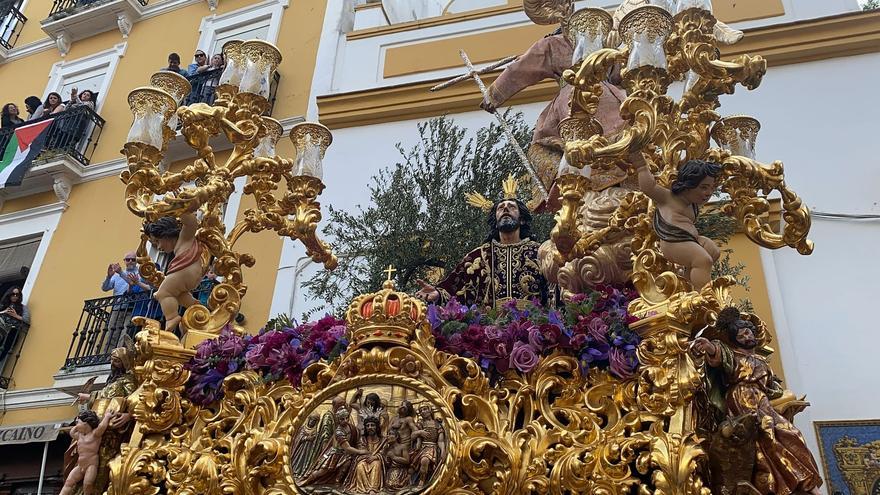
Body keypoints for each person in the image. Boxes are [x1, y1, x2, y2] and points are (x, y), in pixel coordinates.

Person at [692, 307, 823, 495]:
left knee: (792, 434)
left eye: (749, 332)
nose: (747, 336)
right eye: (742, 334)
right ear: (734, 339)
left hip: (762, 400)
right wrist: (710, 347)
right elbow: (719, 355)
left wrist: (788, 401)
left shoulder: (760, 361)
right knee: (767, 436)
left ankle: (805, 485)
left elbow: (771, 388)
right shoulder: (734, 355)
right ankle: (789, 486)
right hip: (743, 399)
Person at [415, 176, 548, 309]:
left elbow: (556, 287)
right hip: (489, 326)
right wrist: (438, 294)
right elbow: (454, 289)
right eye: (500, 208)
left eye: (512, 207)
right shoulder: (478, 256)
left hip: (534, 325)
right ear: (495, 221)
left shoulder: (540, 252)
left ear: (522, 219)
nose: (505, 209)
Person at [633, 154, 721, 289]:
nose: (709, 192)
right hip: (673, 243)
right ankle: (704, 295)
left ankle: (689, 285)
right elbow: (649, 188)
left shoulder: (693, 206)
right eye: (703, 187)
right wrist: (641, 166)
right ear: (688, 185)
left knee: (712, 251)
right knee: (703, 260)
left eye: (712, 187)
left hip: (690, 240)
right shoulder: (668, 198)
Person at [143, 212, 208, 333]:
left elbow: (191, 223)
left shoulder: (184, 238)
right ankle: (196, 307)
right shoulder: (179, 246)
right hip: (188, 275)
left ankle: (172, 317)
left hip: (187, 272)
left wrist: (180, 208)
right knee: (178, 295)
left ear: (166, 233)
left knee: (162, 293)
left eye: (157, 241)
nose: (158, 247)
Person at [60, 410, 113, 495]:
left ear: (85, 424)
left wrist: (107, 416)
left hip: (91, 465)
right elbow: (71, 433)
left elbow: (102, 426)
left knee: (87, 484)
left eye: (78, 423)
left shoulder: (94, 434)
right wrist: (77, 425)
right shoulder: (80, 436)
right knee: (68, 482)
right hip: (80, 466)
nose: (76, 425)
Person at [101, 252, 148, 349]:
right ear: (124, 261)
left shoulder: (139, 273)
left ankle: (119, 355)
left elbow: (133, 283)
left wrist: (121, 272)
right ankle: (108, 356)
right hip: (117, 308)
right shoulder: (116, 275)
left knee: (124, 334)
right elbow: (105, 288)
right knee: (111, 334)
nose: (130, 261)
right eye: (128, 259)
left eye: (133, 259)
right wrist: (109, 276)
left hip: (131, 308)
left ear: (136, 261)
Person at [346, 415, 385, 492]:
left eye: (372, 425)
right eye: (367, 426)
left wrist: (376, 456)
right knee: (360, 465)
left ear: (377, 427)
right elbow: (361, 451)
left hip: (376, 460)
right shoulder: (362, 439)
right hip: (364, 460)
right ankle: (362, 489)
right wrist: (367, 456)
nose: (370, 427)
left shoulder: (382, 440)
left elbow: (385, 452)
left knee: (376, 464)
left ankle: (373, 489)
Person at [411, 404, 445, 487]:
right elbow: (412, 436)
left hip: (433, 448)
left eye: (425, 409)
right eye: (421, 410)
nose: (423, 411)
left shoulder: (437, 424)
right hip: (422, 447)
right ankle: (421, 480)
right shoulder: (420, 424)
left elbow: (440, 441)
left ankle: (423, 481)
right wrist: (419, 432)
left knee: (425, 460)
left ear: (430, 410)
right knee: (422, 461)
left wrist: (443, 451)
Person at [0, 286, 30, 362]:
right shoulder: (3, 305)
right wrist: (4, 312)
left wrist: (15, 315)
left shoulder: (23, 308)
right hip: (1, 329)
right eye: (13, 294)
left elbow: (27, 320)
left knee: (5, 349)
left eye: (17, 295)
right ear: (9, 294)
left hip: (11, 332)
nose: (15, 296)